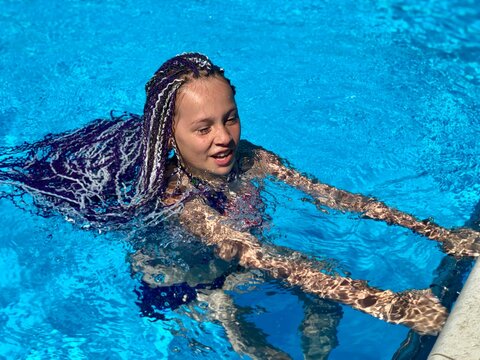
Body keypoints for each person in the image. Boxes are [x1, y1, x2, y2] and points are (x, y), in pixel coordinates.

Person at [1, 53, 479, 356]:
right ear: (170, 135)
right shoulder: (176, 195)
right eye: (203, 128)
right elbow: (253, 252)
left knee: (323, 288)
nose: (224, 138)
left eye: (229, 119)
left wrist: (439, 233)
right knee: (242, 330)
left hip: (236, 265)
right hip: (181, 287)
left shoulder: (253, 159)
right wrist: (386, 304)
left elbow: (341, 198)